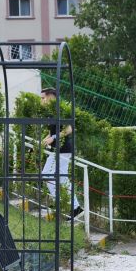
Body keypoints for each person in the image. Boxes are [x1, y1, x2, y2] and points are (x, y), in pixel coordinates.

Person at [40, 87, 83, 220]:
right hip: (56, 150)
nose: (41, 101)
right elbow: (52, 130)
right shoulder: (51, 111)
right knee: (48, 175)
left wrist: (53, 138)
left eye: (43, 98)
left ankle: (74, 207)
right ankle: (69, 205)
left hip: (64, 149)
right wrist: (45, 139)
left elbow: (69, 129)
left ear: (50, 97)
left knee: (60, 177)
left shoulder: (60, 109)